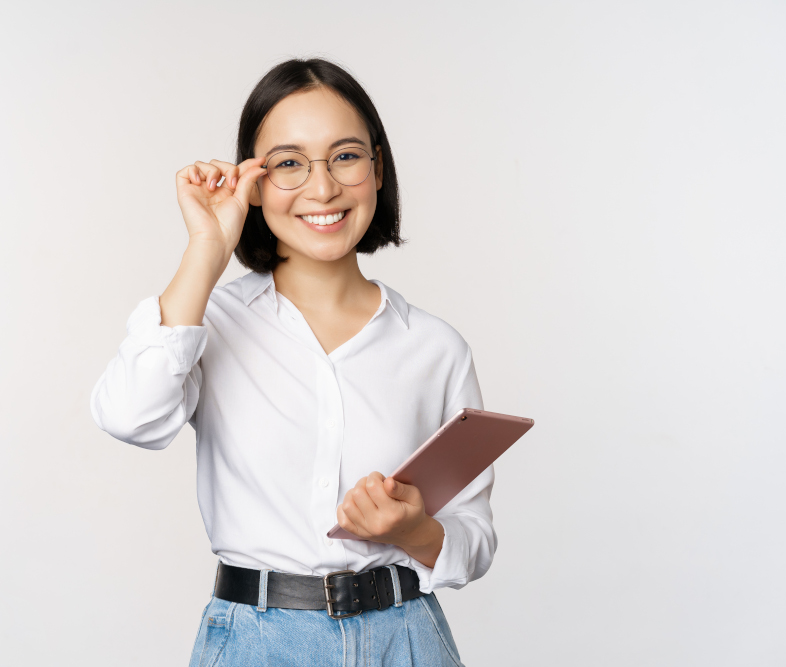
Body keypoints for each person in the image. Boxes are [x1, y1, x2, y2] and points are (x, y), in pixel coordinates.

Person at [90, 58, 495, 667]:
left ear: (377, 169)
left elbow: (475, 537)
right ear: (253, 183)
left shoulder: (436, 348)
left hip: (407, 640)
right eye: (288, 163)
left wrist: (411, 531)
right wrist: (208, 248)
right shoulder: (211, 321)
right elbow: (129, 417)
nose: (323, 187)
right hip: (257, 643)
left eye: (346, 156)